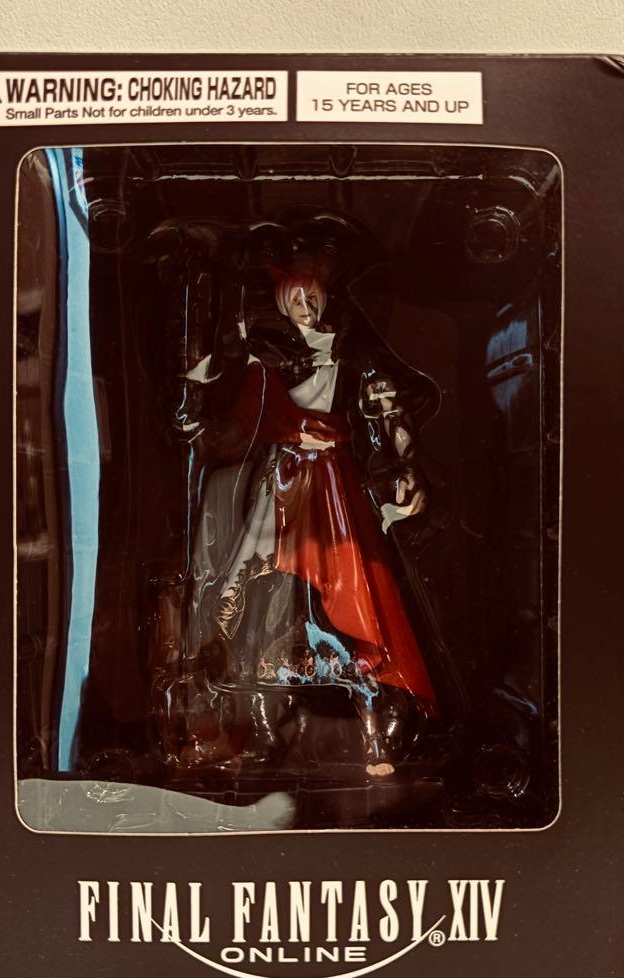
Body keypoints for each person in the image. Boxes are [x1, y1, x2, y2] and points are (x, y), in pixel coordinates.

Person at [176, 266, 438, 778]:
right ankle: (255, 727)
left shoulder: (347, 355)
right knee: (252, 590)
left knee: (351, 590)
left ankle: (373, 730)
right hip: (282, 485)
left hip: (332, 486)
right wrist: (196, 411)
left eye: (313, 297)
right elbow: (240, 428)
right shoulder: (265, 361)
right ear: (281, 304)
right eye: (297, 299)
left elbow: (386, 414)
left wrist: (404, 465)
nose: (307, 307)